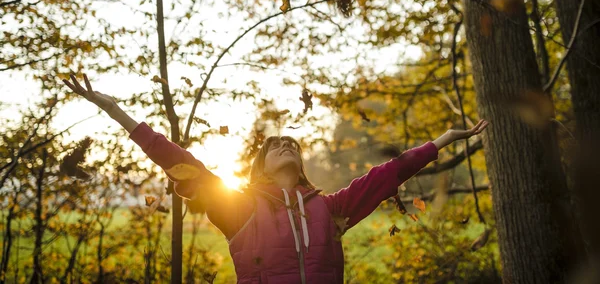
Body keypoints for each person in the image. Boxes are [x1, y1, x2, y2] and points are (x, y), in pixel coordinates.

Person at [62, 73, 488, 284]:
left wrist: (442, 140)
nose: (285, 145)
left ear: (300, 164)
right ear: (260, 166)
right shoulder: (239, 208)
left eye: (292, 144)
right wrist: (115, 111)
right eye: (273, 145)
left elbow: (386, 175)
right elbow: (178, 158)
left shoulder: (331, 208)